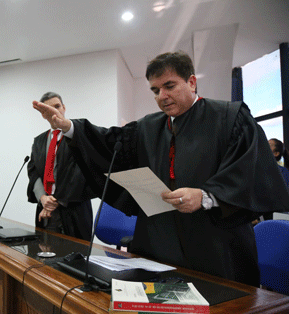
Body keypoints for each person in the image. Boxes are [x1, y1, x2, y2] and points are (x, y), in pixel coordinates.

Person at [33, 51, 289, 286]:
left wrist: (206, 196)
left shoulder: (229, 117)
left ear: (191, 82)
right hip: (159, 241)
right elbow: (108, 144)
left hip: (215, 246)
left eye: (169, 86)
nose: (161, 96)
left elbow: (248, 173)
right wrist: (69, 128)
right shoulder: (147, 127)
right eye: (155, 90)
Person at [27, 92, 95, 241]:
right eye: (48, 109)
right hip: (45, 211)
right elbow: (34, 173)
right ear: (43, 114)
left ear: (64, 108)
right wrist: (43, 198)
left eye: (57, 106)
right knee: (44, 256)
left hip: (74, 211)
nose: (54, 111)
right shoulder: (39, 142)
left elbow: (82, 173)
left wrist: (56, 200)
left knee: (76, 259)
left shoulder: (78, 135)